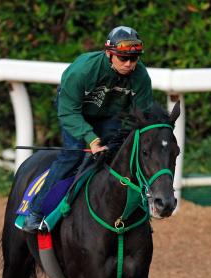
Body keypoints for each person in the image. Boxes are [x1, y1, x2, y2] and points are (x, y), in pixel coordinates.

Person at [23, 25, 153, 233]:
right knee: (72, 157)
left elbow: (142, 114)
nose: (129, 64)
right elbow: (68, 112)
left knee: (118, 155)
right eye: (123, 58)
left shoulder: (140, 76)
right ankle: (35, 212)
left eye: (134, 59)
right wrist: (91, 139)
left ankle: (136, 212)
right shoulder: (82, 71)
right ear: (109, 54)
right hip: (75, 112)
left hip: (108, 114)